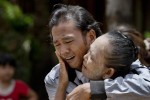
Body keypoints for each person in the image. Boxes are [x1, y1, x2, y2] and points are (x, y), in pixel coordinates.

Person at [44, 4, 150, 100]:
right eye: (57, 44)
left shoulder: (117, 55)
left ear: (90, 36)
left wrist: (96, 89)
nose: (63, 51)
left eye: (68, 41)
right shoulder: (55, 78)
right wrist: (62, 86)